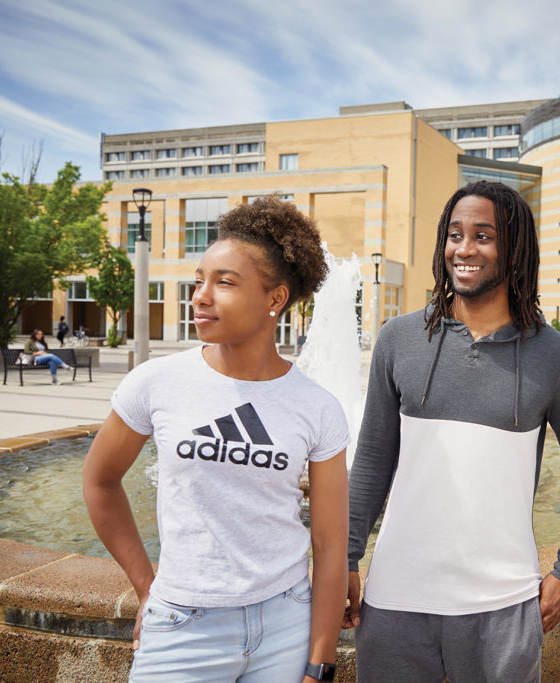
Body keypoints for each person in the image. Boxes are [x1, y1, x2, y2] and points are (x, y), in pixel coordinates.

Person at [344, 180, 560, 682]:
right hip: (397, 598)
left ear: (514, 249)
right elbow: (374, 457)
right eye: (455, 234)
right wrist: (348, 556)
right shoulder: (399, 340)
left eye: (484, 236)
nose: (464, 249)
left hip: (502, 605)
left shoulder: (556, 357)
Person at [83, 197, 350, 683]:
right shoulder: (157, 381)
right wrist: (147, 586)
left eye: (224, 282)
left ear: (276, 298)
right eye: (199, 280)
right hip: (182, 623)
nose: (201, 296)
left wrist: (320, 662)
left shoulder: (317, 407)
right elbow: (100, 482)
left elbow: (330, 544)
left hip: (284, 624)